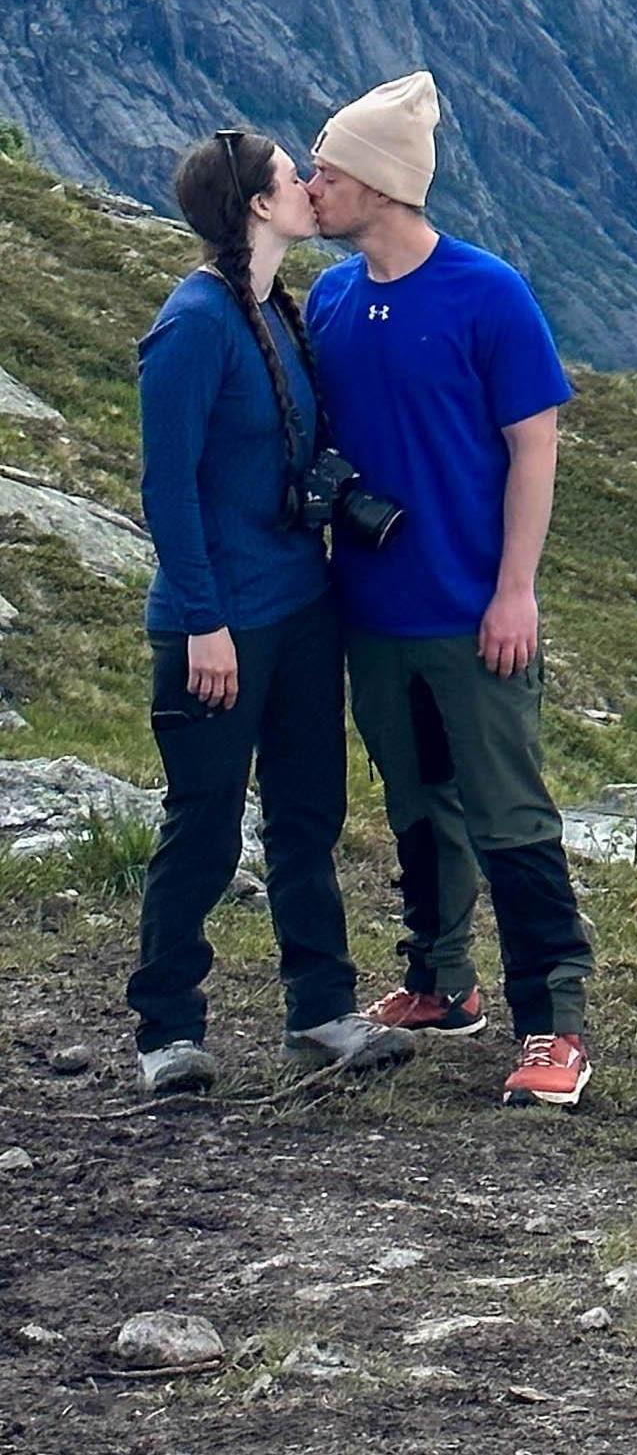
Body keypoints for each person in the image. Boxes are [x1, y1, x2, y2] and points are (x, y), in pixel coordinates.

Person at [301, 71, 597, 1113]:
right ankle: (439, 983)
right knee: (417, 803)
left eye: (328, 168)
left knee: (509, 813)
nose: (311, 182)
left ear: (381, 185)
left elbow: (534, 448)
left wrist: (514, 591)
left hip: (473, 614)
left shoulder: (487, 293)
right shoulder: (332, 297)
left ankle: (555, 1024)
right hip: (373, 616)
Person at [127, 128, 413, 1095]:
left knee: (306, 815)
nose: (311, 188)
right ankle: (166, 1032)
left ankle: (321, 1012)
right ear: (257, 205)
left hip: (299, 610)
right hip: (221, 624)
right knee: (202, 824)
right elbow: (166, 486)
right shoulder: (195, 322)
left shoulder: (277, 312)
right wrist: (203, 622)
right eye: (296, 177)